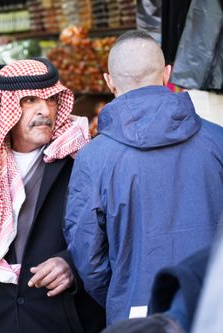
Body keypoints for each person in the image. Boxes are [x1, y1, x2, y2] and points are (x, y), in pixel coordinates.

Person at [63, 30, 223, 325]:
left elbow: (88, 256)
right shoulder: (217, 141)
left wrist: (123, 293)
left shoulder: (93, 158)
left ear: (109, 82)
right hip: (213, 310)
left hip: (134, 317)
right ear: (167, 74)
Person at [0, 58, 105, 333]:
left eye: (52, 99)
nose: (46, 110)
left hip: (60, 319)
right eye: (30, 100)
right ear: (4, 107)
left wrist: (71, 264)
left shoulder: (81, 158)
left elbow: (107, 235)